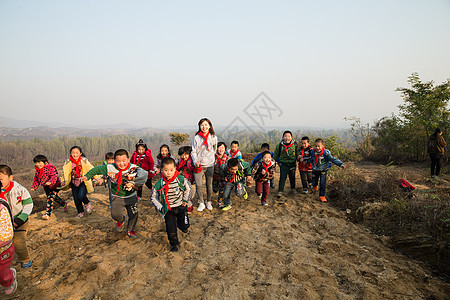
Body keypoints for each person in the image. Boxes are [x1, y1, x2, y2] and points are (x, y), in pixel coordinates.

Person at [82, 149, 148, 239]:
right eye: (118, 161)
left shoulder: (134, 168)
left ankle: (130, 230)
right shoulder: (110, 168)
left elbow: (144, 174)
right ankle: (121, 220)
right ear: (114, 161)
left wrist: (135, 183)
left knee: (134, 215)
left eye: (124, 161)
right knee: (115, 215)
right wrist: (87, 176)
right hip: (117, 197)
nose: (121, 164)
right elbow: (96, 170)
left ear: (128, 159)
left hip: (131, 196)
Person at [151, 157, 191, 252]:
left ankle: (182, 226)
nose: (169, 172)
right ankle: (174, 244)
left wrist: (186, 200)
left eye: (171, 170)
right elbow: (153, 197)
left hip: (181, 206)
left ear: (175, 169)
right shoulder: (159, 184)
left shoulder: (180, 179)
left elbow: (188, 188)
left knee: (185, 226)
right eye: (166, 170)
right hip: (168, 209)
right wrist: (160, 206)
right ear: (161, 170)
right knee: (170, 228)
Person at [0, 165, 33, 268]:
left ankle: (25, 259)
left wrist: (20, 219)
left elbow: (28, 204)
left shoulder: (19, 190)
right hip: (4, 222)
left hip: (20, 220)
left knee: (18, 241)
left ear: (11, 177)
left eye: (1, 179)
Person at [60, 146, 95, 218]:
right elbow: (64, 173)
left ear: (80, 153)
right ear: (70, 154)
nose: (75, 155)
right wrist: (63, 180)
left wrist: (97, 178)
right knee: (76, 198)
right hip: (73, 182)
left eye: (77, 153)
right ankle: (80, 212)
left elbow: (91, 169)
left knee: (81, 195)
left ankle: (87, 203)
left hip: (83, 181)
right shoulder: (68, 162)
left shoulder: (84, 160)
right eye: (73, 153)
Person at [191, 118, 218, 211]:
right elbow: (193, 151)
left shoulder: (213, 137)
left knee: (209, 184)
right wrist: (196, 161)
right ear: (199, 126)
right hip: (199, 165)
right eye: (202, 125)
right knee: (198, 185)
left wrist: (211, 159)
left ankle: (209, 201)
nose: (204, 127)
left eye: (206, 125)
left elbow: (214, 149)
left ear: (209, 126)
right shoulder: (197, 138)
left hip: (210, 164)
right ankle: (201, 202)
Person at [31, 155, 67, 220]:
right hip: (47, 187)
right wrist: (34, 187)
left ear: (45, 162)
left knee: (50, 198)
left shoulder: (50, 168)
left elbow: (54, 176)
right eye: (36, 163)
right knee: (54, 197)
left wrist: (50, 182)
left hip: (55, 185)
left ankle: (47, 214)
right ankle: (63, 203)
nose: (37, 164)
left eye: (39, 162)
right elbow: (36, 180)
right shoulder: (38, 171)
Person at [273, 131, 299, 198]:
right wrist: (274, 161)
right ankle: (280, 190)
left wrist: (299, 157)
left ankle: (293, 189)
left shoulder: (295, 145)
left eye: (289, 136)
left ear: (291, 137)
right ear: (282, 137)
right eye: (285, 136)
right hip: (283, 164)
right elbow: (276, 154)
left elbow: (297, 153)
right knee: (282, 177)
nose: (287, 138)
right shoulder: (280, 145)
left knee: (292, 177)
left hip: (292, 164)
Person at [0, 198, 17, 295]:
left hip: (3, 251)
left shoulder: (2, 208)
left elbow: (7, 235)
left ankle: (9, 281)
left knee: (3, 275)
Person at [177, 146, 201, 213]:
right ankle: (187, 207)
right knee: (184, 195)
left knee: (190, 196)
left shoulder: (193, 161)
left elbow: (198, 170)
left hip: (192, 182)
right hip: (183, 182)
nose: (184, 157)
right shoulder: (180, 162)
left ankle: (189, 207)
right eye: (182, 155)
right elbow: (177, 169)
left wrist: (198, 166)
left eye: (186, 154)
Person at [213, 142, 229, 208]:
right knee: (215, 190)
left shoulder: (228, 158)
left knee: (222, 191)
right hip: (215, 177)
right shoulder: (213, 157)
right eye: (219, 147)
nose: (221, 149)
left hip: (223, 177)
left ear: (225, 149)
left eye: (223, 147)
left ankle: (219, 202)